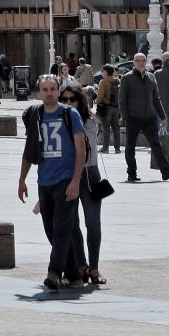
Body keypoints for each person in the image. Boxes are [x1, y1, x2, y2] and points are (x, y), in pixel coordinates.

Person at [18, 75, 86, 291]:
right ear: (39, 92)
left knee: (62, 230)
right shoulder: (35, 115)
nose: (49, 93)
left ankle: (54, 272)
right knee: (51, 230)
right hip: (44, 181)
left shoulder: (70, 114)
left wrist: (76, 180)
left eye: (52, 89)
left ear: (58, 91)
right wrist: (22, 179)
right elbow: (29, 150)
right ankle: (74, 275)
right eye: (45, 89)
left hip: (66, 179)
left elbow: (81, 150)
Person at [62, 85, 106, 286]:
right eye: (64, 100)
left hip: (90, 174)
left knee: (93, 223)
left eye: (72, 99)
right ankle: (81, 265)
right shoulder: (59, 120)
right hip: (68, 176)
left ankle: (94, 267)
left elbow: (85, 147)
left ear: (80, 101)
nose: (68, 103)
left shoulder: (89, 121)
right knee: (72, 224)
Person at [121, 53, 169, 182]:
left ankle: (165, 171)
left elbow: (156, 98)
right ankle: (132, 173)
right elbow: (122, 100)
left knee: (156, 144)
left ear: (146, 62)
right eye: (138, 60)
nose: (141, 63)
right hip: (133, 118)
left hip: (150, 117)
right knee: (130, 146)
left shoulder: (151, 76)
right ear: (133, 62)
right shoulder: (127, 78)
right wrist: (125, 117)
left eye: (143, 60)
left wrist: (162, 116)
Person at [95, 63, 122, 153]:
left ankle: (105, 148)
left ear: (106, 72)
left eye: (102, 71)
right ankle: (117, 148)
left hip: (106, 108)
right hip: (116, 108)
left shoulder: (103, 82)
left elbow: (100, 96)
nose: (102, 73)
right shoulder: (118, 81)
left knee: (106, 128)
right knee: (116, 128)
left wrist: (97, 102)